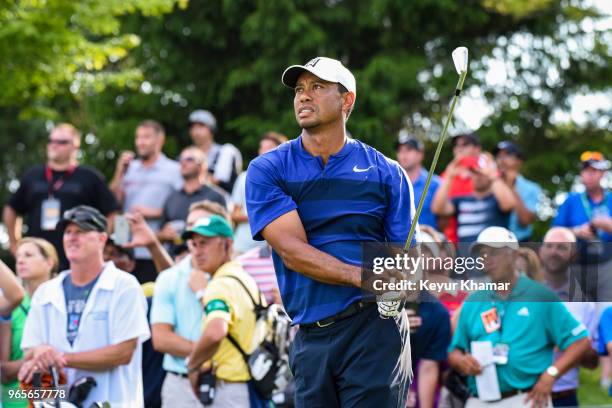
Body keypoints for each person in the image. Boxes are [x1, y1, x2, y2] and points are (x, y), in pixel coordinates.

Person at [245, 57, 416, 407]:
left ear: (346, 100)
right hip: (310, 334)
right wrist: (361, 275)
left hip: (374, 330)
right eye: (299, 90)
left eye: (317, 87)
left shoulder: (387, 172)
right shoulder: (268, 169)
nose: (303, 97)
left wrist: (400, 279)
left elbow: (402, 259)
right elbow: (292, 253)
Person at [18, 205, 150, 407]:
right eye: (68, 232)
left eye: (81, 231)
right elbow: (30, 350)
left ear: (102, 239)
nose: (72, 237)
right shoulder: (45, 292)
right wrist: (40, 352)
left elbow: (123, 353)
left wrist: (60, 358)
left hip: (113, 401)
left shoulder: (124, 285)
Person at [448, 227, 591, 408]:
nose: (487, 259)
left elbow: (581, 341)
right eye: (483, 254)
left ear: (514, 255)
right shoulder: (473, 300)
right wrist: (461, 361)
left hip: (526, 399)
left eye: (494, 252)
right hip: (479, 400)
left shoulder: (540, 296)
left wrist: (551, 374)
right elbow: (454, 350)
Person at [3, 123, 119, 270]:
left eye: (61, 142)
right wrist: (15, 245)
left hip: (77, 260)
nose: (54, 145)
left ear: (75, 146)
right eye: (51, 141)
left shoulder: (89, 176)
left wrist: (99, 244)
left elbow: (112, 212)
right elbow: (11, 209)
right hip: (39, 260)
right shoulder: (33, 175)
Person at [150, 202, 228, 408]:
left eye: (203, 232)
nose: (193, 237)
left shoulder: (233, 277)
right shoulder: (168, 277)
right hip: (180, 385)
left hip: (226, 383)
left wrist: (202, 293)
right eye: (190, 227)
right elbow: (161, 339)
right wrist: (205, 355)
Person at [185, 215, 263, 407]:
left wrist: (193, 365)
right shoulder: (244, 278)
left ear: (227, 244)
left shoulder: (220, 285)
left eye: (204, 243)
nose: (197, 251)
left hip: (231, 388)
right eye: (194, 245)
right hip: (252, 385)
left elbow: (215, 332)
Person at [109, 120, 183, 284]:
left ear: (160, 140)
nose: (140, 142)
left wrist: (154, 212)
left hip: (156, 249)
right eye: (138, 137)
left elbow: (182, 205)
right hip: (125, 250)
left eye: (146, 137)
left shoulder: (174, 169)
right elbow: (112, 203)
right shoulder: (129, 168)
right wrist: (120, 172)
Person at [540, 227, 599, 407]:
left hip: (563, 398)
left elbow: (592, 362)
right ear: (540, 251)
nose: (554, 252)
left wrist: (575, 344)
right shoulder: (519, 294)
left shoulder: (585, 304)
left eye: (562, 247)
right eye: (549, 246)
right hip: (522, 395)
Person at [103, 238, 165, 408]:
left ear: (131, 264)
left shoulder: (150, 293)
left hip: (143, 390)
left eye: (117, 254)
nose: (110, 260)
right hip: (99, 390)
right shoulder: (55, 295)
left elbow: (173, 283)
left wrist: (152, 243)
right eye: (105, 254)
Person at [1, 238, 56, 408]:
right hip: (15, 399)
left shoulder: (63, 300)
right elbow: (4, 372)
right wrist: (45, 358)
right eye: (18, 256)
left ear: (49, 262)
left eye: (28, 255)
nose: (21, 260)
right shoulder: (9, 304)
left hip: (58, 397)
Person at [432, 153, 516, 247]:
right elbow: (438, 209)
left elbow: (509, 204)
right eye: (474, 172)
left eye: (481, 172)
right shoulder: (461, 200)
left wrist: (493, 175)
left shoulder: (497, 199)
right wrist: (449, 176)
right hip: (466, 260)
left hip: (493, 257)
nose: (478, 176)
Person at [158, 146, 227, 249]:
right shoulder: (172, 197)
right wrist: (164, 235)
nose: (183, 163)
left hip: (205, 258)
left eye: (189, 159)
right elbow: (160, 233)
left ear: (202, 166)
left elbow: (225, 232)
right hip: (174, 259)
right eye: (180, 159)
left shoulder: (216, 196)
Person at [231, 132, 287, 255]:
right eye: (262, 147)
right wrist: (261, 214)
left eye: (269, 147)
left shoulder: (287, 178)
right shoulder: (244, 177)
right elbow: (234, 214)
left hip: (274, 248)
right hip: (242, 247)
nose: (264, 151)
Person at [553, 151, 611, 265]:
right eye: (586, 170)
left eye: (594, 170)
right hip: (577, 263)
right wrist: (576, 231)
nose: (589, 175)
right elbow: (554, 233)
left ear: (603, 173)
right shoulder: (571, 200)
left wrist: (608, 225)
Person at [494, 141, 542, 242]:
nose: (501, 160)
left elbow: (525, 221)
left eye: (507, 155)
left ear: (519, 161)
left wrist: (511, 187)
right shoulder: (489, 184)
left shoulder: (531, 188)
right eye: (498, 156)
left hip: (520, 242)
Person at [439, 132, 482, 243]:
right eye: (457, 145)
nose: (459, 148)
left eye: (465, 144)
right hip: (451, 242)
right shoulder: (445, 176)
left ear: (477, 149)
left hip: (480, 240)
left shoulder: (485, 175)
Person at [188, 109, 243, 193]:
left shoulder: (225, 152)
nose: (196, 132)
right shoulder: (185, 155)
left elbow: (233, 186)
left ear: (211, 129)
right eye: (193, 128)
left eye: (200, 127)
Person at [396, 132, 440, 229]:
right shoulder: (393, 184)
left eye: (409, 150)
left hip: (428, 239)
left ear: (420, 154)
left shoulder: (435, 183)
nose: (403, 154)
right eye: (400, 150)